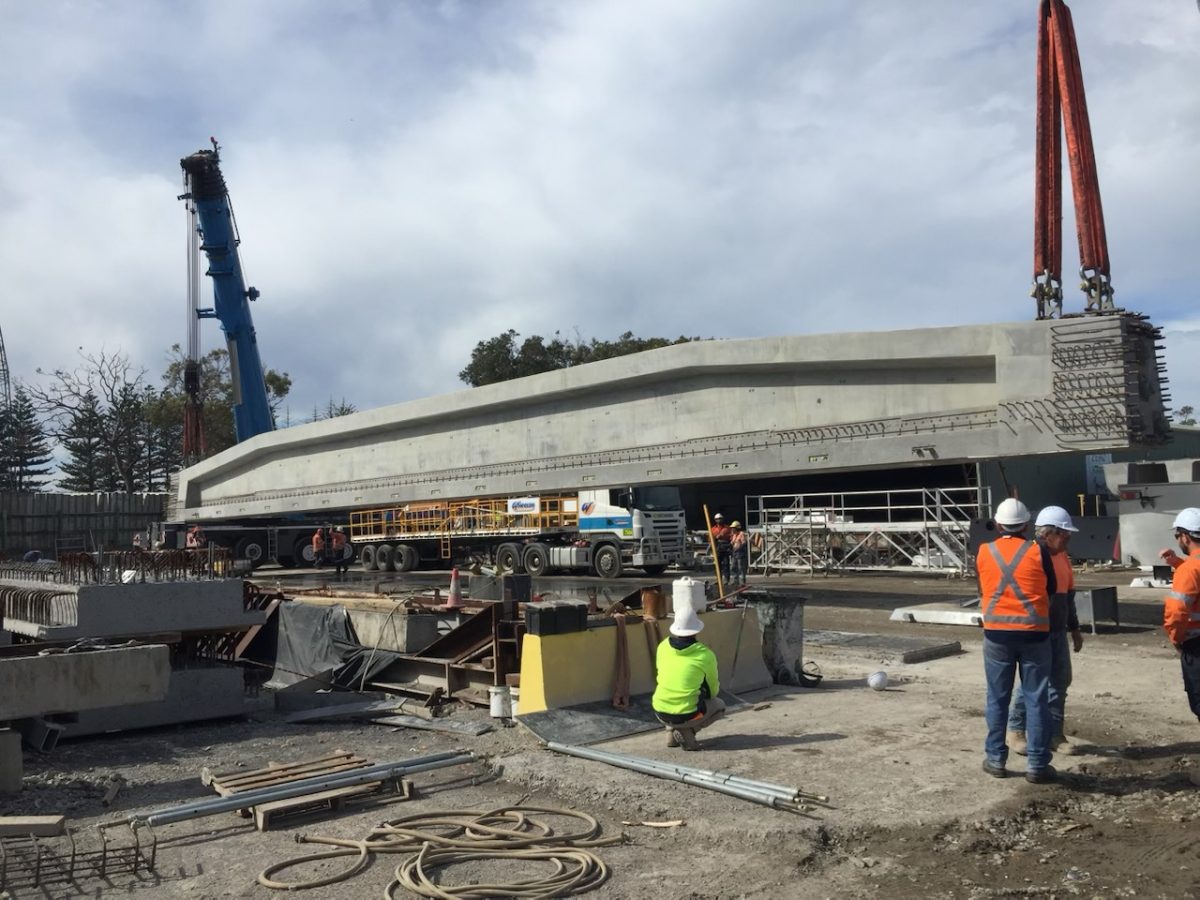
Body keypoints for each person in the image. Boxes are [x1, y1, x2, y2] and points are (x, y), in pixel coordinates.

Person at [976, 497, 1058, 783]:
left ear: (998, 524)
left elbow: (984, 588)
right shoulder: (1039, 552)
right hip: (1035, 634)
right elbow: (1052, 589)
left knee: (997, 698)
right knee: (1036, 699)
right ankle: (1037, 765)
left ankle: (996, 759)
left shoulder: (984, 552)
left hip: (997, 635)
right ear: (1026, 525)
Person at [1007, 506, 1085, 756]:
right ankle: (1017, 730)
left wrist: (1074, 629)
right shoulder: (1031, 556)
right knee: (1032, 683)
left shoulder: (1062, 557)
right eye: (1065, 535)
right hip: (1035, 630)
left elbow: (1068, 596)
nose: (1069, 539)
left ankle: (1055, 734)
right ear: (1049, 533)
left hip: (1057, 630)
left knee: (1060, 681)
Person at [651, 593, 726, 751]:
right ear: (696, 630)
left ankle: (670, 734)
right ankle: (689, 731)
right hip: (685, 714)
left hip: (659, 709)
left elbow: (661, 675)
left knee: (674, 697)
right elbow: (713, 691)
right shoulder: (705, 655)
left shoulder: (663, 646)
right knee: (719, 706)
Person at [1157, 508, 1200, 724]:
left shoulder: (1189, 570)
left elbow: (1176, 613)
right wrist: (1178, 563)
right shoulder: (1191, 567)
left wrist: (1176, 638)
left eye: (1177, 535)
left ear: (1185, 535)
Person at [710, 513, 732, 585]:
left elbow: (731, 538)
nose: (719, 520)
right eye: (717, 519)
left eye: (720, 519)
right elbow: (710, 539)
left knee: (726, 564)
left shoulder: (727, 528)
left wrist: (724, 536)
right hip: (717, 548)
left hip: (725, 548)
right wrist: (715, 538)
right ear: (715, 520)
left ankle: (726, 580)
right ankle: (718, 580)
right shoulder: (713, 529)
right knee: (717, 565)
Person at [729, 521, 749, 588]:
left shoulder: (741, 534)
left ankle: (743, 582)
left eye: (733, 528)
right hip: (735, 553)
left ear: (737, 528)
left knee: (741, 568)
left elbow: (744, 543)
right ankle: (736, 581)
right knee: (733, 567)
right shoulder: (734, 535)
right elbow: (732, 543)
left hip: (740, 553)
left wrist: (739, 548)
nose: (732, 529)